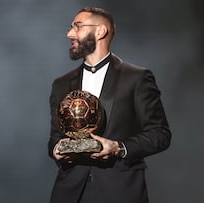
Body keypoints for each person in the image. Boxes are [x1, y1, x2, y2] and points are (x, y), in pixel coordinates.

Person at [48, 7, 172, 203]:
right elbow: (54, 137)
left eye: (77, 27)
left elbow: (160, 134)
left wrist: (118, 147)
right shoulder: (61, 84)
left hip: (120, 192)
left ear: (100, 31)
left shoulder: (136, 78)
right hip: (70, 193)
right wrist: (57, 149)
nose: (69, 33)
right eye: (71, 27)